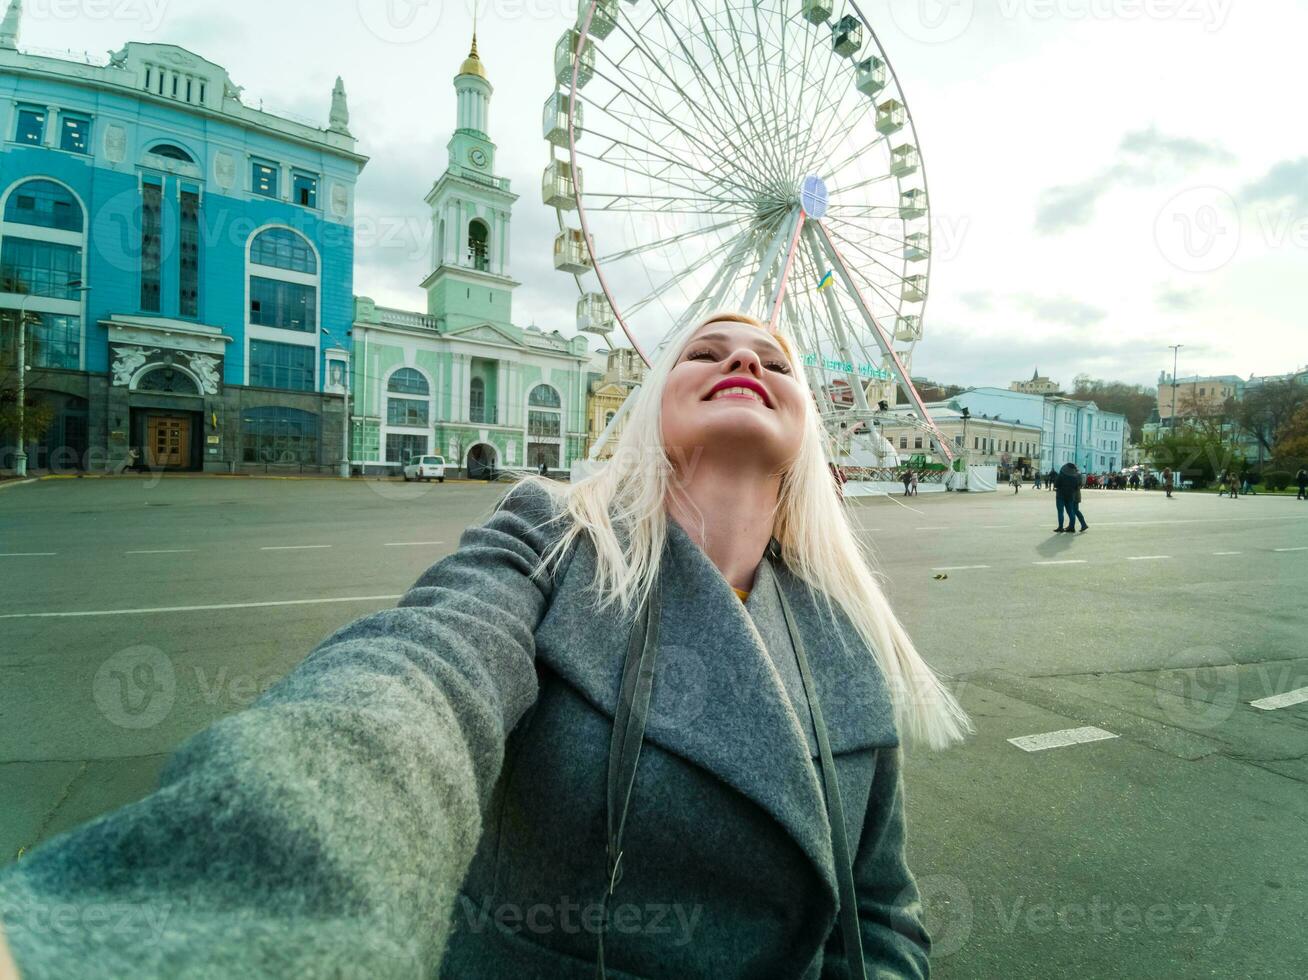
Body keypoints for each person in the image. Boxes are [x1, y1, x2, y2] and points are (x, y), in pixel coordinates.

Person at [0, 312, 968, 979]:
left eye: (774, 359)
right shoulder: (554, 537)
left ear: (807, 427)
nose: (742, 359)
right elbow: (407, 687)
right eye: (703, 350)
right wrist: (160, 920)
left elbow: (880, 907)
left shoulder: (849, 628)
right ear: (647, 409)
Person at [1054, 461, 1081, 533]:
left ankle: (1060, 527)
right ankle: (1072, 527)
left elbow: (1056, 484)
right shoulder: (1075, 476)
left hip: (1060, 495)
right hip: (1070, 496)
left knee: (1060, 512)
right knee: (1071, 512)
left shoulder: (1061, 475)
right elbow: (1076, 487)